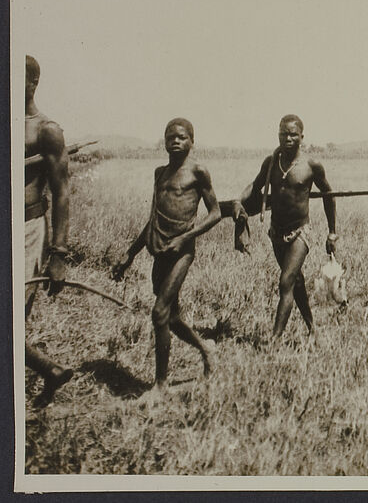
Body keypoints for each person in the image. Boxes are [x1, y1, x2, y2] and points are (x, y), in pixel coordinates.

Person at [112, 118, 220, 395]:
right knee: (171, 317)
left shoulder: (198, 171)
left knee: (159, 313)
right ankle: (206, 350)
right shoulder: (160, 173)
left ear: (192, 141)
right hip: (159, 251)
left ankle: (159, 386)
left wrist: (186, 237)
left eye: (181, 137)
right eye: (169, 137)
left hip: (182, 252)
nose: (175, 141)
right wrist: (131, 253)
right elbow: (152, 221)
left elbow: (216, 213)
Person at [236, 114, 337, 337]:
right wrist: (238, 202)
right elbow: (255, 186)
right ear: (278, 135)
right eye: (283, 133)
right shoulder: (271, 163)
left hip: (301, 232)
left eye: (293, 134)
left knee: (285, 282)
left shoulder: (312, 165)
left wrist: (332, 232)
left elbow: (329, 195)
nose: (288, 138)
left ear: (302, 136)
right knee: (296, 281)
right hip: (276, 233)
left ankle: (274, 340)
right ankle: (312, 327)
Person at [24, 55, 74, 407]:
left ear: (32, 84)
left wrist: (59, 254)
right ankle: (49, 371)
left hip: (27, 228)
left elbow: (62, 193)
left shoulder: (45, 130)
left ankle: (49, 370)